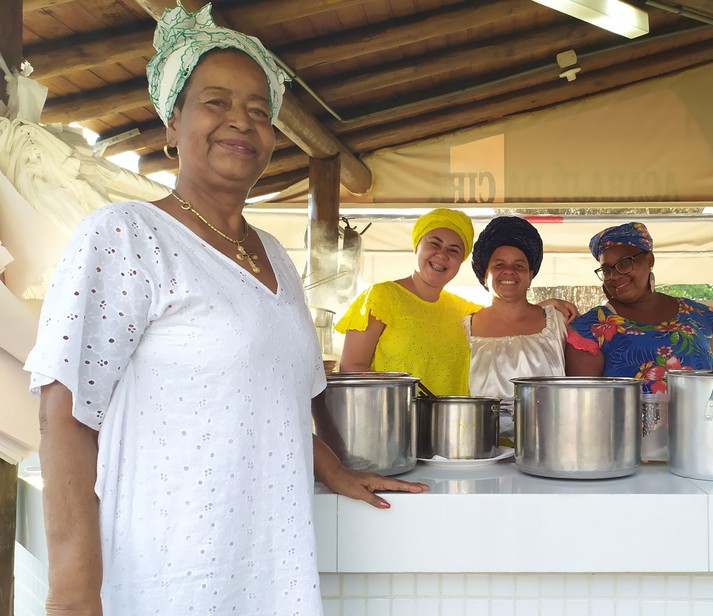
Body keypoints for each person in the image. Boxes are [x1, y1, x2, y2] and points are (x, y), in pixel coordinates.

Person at [24, 6, 426, 614]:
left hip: (272, 570)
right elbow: (64, 409)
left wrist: (333, 470)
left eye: (260, 110)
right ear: (172, 121)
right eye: (215, 101)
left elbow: (280, 398)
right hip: (170, 573)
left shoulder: (275, 258)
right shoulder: (127, 234)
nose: (241, 120)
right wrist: (73, 592)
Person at [337, 210, 577, 396]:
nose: (442, 255)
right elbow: (350, 367)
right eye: (434, 243)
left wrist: (547, 306)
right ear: (416, 245)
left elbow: (511, 317)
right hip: (393, 425)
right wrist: (400, 400)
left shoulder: (460, 310)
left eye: (453, 250)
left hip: (451, 435)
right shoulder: (381, 297)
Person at [566, 222, 713, 460]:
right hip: (625, 456)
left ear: (649, 260)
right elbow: (585, 410)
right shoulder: (590, 329)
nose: (615, 276)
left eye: (625, 263)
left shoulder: (699, 317)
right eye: (607, 269)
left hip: (703, 450)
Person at [465, 217, 567, 435]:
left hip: (548, 446)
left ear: (530, 276)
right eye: (499, 265)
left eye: (519, 266)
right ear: (485, 276)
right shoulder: (464, 328)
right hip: (482, 450)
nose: (509, 271)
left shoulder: (558, 323)